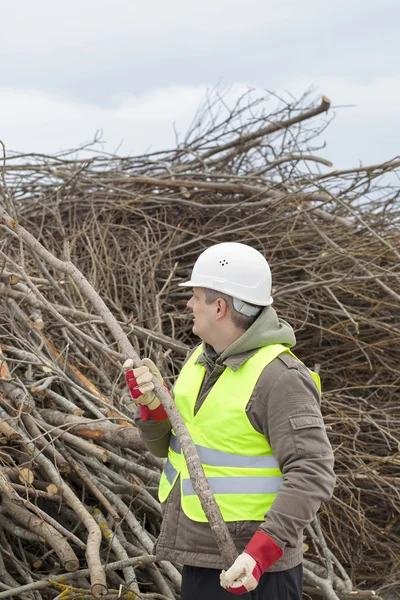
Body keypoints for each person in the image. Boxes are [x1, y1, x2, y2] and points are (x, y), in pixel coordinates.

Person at [125, 242, 336, 599]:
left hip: (252, 573)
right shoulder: (202, 360)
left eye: (195, 296)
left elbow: (313, 472)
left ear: (219, 307)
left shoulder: (281, 377)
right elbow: (169, 448)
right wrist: (152, 405)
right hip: (206, 557)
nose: (190, 305)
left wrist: (259, 555)